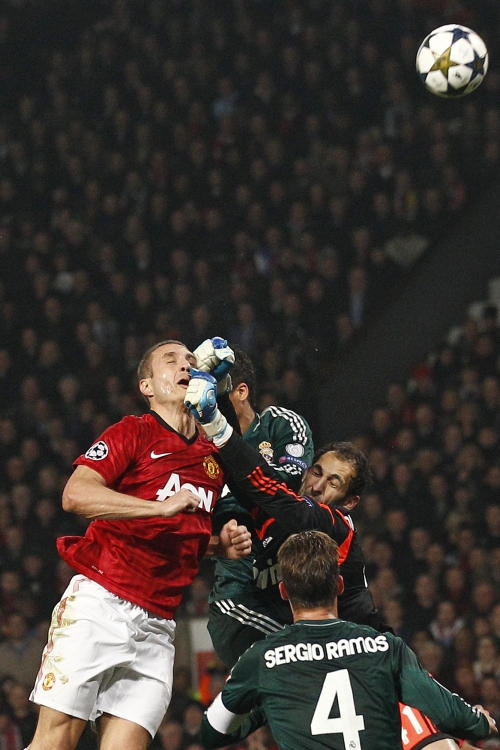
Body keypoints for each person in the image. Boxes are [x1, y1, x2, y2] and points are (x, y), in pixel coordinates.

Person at [27, 339, 252, 750]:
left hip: (158, 628)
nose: (184, 365)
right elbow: (75, 495)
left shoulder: (212, 457)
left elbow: (180, 532)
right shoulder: (133, 431)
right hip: (101, 605)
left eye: (190, 360)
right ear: (147, 387)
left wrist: (218, 546)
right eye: (171, 360)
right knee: (54, 743)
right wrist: (158, 508)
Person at [200, 531, 496, 750]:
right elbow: (452, 716)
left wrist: (267, 704)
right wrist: (481, 721)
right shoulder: (385, 647)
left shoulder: (263, 658)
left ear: (284, 591)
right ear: (340, 585)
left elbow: (212, 731)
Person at [185, 355, 387, 641]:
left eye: (333, 482)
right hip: (306, 634)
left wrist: (216, 424)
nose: (317, 486)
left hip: (361, 644)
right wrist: (220, 394)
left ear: (350, 502)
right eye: (316, 472)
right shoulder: (271, 519)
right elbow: (249, 488)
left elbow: (274, 494)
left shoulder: (333, 522)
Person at [194, 340, 314, 669]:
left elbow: (284, 488)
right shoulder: (198, 452)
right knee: (311, 656)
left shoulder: (280, 424)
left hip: (295, 581)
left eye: (216, 392)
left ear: (241, 391)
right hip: (240, 594)